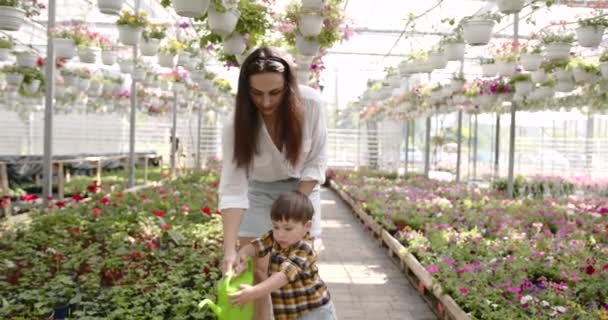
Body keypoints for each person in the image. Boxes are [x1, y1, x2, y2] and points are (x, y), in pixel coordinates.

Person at [219, 46, 327, 320]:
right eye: (256, 93)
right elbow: (233, 187)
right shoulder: (236, 124)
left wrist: (294, 208)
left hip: (301, 189)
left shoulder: (311, 104)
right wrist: (229, 250)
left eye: (275, 93)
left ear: (289, 87)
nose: (266, 102)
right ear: (246, 91)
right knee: (257, 270)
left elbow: (315, 161)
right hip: (258, 191)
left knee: (293, 269)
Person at [228, 191, 337, 320]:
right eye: (276, 226)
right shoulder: (275, 238)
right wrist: (242, 255)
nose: (280, 234)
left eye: (288, 228)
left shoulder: (304, 248)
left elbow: (283, 276)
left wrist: (253, 292)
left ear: (307, 226)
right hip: (289, 313)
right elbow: (254, 247)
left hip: (315, 312)